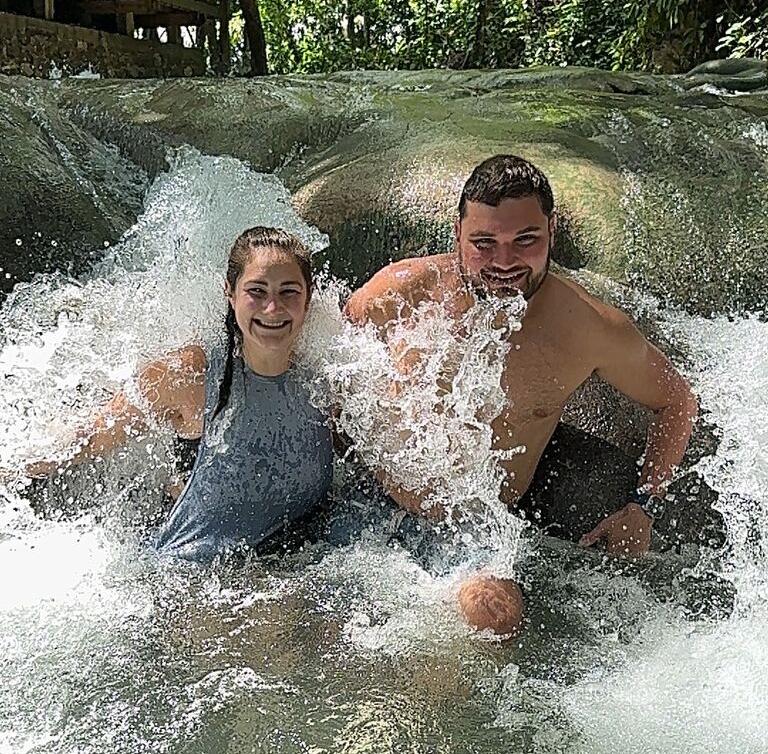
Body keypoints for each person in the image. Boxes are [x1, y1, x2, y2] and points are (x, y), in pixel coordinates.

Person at [345, 155, 699, 638]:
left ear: (551, 231)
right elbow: (330, 366)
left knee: (495, 620)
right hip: (367, 509)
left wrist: (643, 503)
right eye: (484, 243)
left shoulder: (587, 328)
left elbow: (677, 401)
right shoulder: (402, 294)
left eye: (524, 240)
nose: (504, 262)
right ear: (457, 236)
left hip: (477, 531)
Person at [18, 227, 334, 563]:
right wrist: (13, 465)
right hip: (194, 578)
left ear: (308, 296)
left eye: (289, 292)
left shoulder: (329, 373)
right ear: (230, 292)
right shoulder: (191, 375)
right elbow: (91, 435)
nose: (273, 308)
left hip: (302, 561)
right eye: (256, 291)